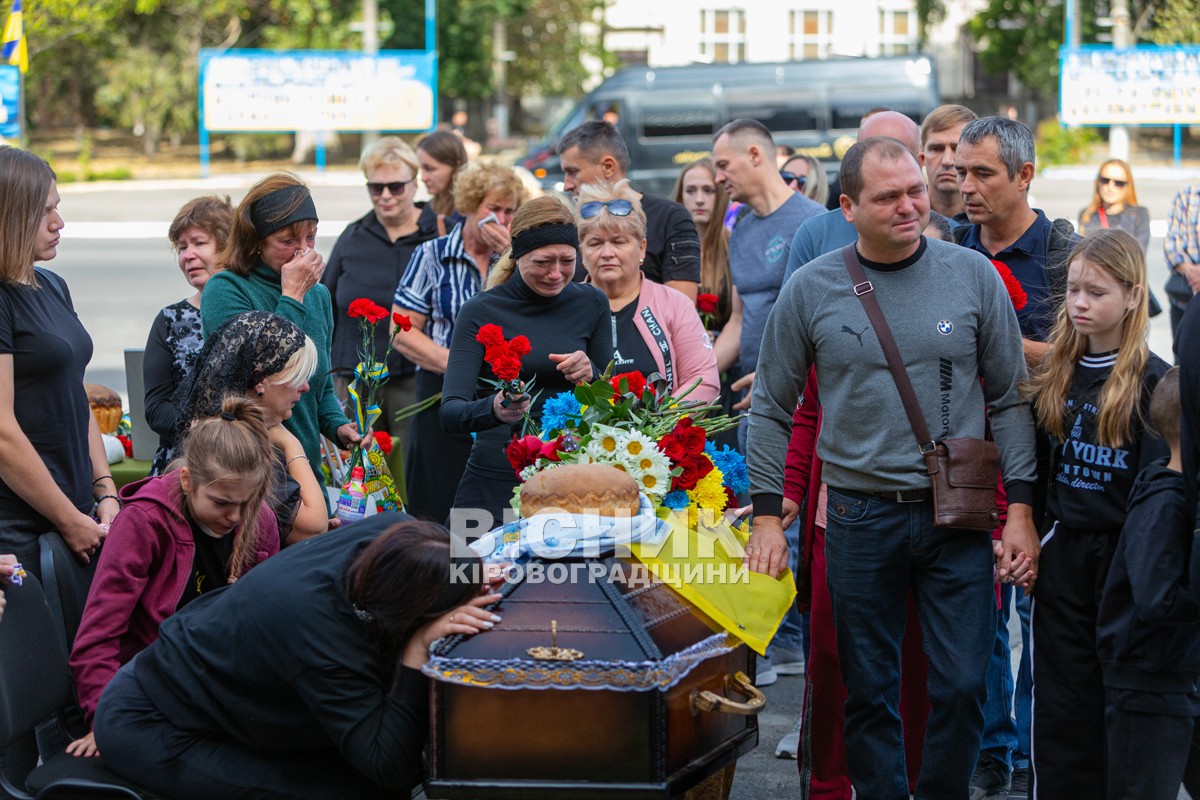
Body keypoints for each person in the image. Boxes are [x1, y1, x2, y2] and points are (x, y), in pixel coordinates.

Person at [745, 136, 1039, 799]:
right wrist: (768, 516)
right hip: (858, 515)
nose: (910, 206)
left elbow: (1010, 399)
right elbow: (771, 407)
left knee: (964, 686)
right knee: (867, 689)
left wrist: (1017, 510)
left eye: (915, 190)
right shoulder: (811, 287)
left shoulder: (972, 276)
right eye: (888, 197)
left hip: (957, 516)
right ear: (847, 206)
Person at [93, 514, 500, 800]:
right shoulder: (322, 636)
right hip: (157, 726)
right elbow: (386, 763)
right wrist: (417, 649)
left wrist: (470, 567)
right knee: (364, 791)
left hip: (224, 693)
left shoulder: (387, 533)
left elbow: (433, 549)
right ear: (406, 615)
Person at [953, 115, 1076, 798]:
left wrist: (1002, 343)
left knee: (1040, 615)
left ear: (1025, 176)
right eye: (960, 173)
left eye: (983, 174)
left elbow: (1087, 355)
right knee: (978, 617)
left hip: (1052, 466)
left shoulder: (1064, 255)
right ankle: (993, 749)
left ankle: (1033, 751)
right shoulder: (945, 250)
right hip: (967, 462)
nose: (966, 187)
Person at [1023, 228, 1169, 799]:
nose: (1080, 303)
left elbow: (1163, 493)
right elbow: (1035, 466)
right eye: (1074, 291)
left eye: (1097, 293)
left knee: (1122, 704)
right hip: (1064, 557)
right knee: (1062, 703)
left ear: (1133, 296)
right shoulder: (1057, 370)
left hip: (1126, 562)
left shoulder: (1155, 383)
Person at [66, 396, 281, 759]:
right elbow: (99, 635)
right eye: (220, 502)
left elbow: (266, 630)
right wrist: (105, 719)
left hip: (220, 689)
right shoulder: (144, 523)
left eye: (245, 503)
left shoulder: (260, 522)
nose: (234, 517)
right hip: (147, 689)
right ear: (186, 480)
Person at [712, 117, 824, 684]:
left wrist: (787, 374)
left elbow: (823, 319)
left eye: (723, 164)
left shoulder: (812, 223)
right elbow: (739, 318)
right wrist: (694, 374)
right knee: (756, 516)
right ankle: (772, 639)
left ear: (756, 154)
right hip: (749, 400)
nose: (718, 176)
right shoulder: (743, 231)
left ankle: (794, 647)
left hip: (797, 398)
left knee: (790, 519)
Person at [440, 195, 611, 524]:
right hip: (496, 476)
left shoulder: (592, 302)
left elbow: (614, 399)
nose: (556, 274)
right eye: (543, 262)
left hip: (572, 472)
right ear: (517, 256)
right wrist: (494, 408)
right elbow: (450, 413)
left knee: (566, 576)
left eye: (567, 261)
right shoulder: (480, 310)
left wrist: (592, 375)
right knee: (465, 574)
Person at [200, 173, 358, 495]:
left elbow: (320, 388)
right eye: (288, 241)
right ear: (256, 241)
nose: (303, 252)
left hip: (307, 473)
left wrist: (339, 427)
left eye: (311, 238)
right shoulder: (226, 288)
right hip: (251, 474)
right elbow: (257, 371)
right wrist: (293, 295)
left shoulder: (318, 295)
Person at [393, 161, 527, 524]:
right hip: (438, 391)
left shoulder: (519, 262)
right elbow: (402, 330)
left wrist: (511, 258)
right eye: (492, 209)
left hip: (500, 396)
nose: (500, 219)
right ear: (469, 205)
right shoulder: (433, 254)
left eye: (509, 211)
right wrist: (459, 367)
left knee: (490, 508)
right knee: (436, 504)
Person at [0, 146, 112, 573]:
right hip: (19, 523)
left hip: (76, 511)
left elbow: (73, 393)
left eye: (58, 208)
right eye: (45, 212)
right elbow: (2, 432)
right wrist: (69, 519)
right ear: (12, 215)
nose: (59, 223)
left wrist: (104, 491)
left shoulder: (53, 285)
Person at [1096, 367, 1200, 800]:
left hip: (1177, 677)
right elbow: (1159, 600)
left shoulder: (1182, 496)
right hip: (1148, 683)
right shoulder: (1164, 503)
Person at [323, 137, 435, 468]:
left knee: (414, 467)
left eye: (396, 187)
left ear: (414, 185)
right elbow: (325, 301)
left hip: (412, 378)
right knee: (356, 470)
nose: (385, 196)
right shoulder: (353, 236)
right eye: (376, 187)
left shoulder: (436, 233)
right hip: (355, 379)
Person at [177, 311, 330, 546]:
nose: (305, 387)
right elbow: (314, 527)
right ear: (263, 379)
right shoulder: (234, 443)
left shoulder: (219, 426)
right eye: (297, 376)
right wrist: (290, 443)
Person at [577, 181, 719, 402]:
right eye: (595, 243)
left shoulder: (674, 304)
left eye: (618, 241)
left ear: (642, 247)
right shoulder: (565, 306)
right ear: (582, 252)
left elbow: (703, 380)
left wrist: (657, 425)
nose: (607, 253)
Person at [557, 121, 701, 300]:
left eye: (573, 171)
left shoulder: (671, 217)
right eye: (595, 243)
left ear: (608, 166)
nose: (566, 185)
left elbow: (681, 308)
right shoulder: (570, 223)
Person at [143, 195, 234, 475]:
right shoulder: (170, 320)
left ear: (228, 245)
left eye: (199, 243)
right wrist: (204, 431)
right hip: (183, 468)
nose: (187, 255)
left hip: (247, 464)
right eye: (182, 247)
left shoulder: (254, 311)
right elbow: (156, 408)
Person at [784, 111, 928, 280]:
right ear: (848, 206)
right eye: (887, 197)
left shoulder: (951, 245)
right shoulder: (816, 235)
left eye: (899, 153)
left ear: (920, 161)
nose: (906, 207)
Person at [671, 158, 742, 447]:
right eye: (691, 191)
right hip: (675, 376)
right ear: (679, 196)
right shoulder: (668, 250)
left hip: (724, 374)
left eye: (708, 191)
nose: (699, 199)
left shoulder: (735, 245)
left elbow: (740, 320)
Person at [1078, 159, 1151, 252]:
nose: (1110, 187)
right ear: (1097, 182)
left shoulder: (1139, 215)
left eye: (1119, 183)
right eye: (1105, 180)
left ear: (1128, 186)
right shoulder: (1086, 215)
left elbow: (1138, 257)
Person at [920, 104, 977, 221]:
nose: (947, 161)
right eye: (936, 149)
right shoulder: (907, 215)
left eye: (956, 148)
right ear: (922, 157)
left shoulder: (992, 221)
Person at [1163, 181, 1200, 338]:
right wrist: (1192, 273)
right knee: (1183, 359)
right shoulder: (1188, 196)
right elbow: (1172, 246)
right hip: (1185, 302)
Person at [416, 130, 469, 237]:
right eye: (421, 168)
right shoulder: (426, 209)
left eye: (430, 169)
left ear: (456, 166)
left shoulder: (470, 214)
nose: (423, 177)